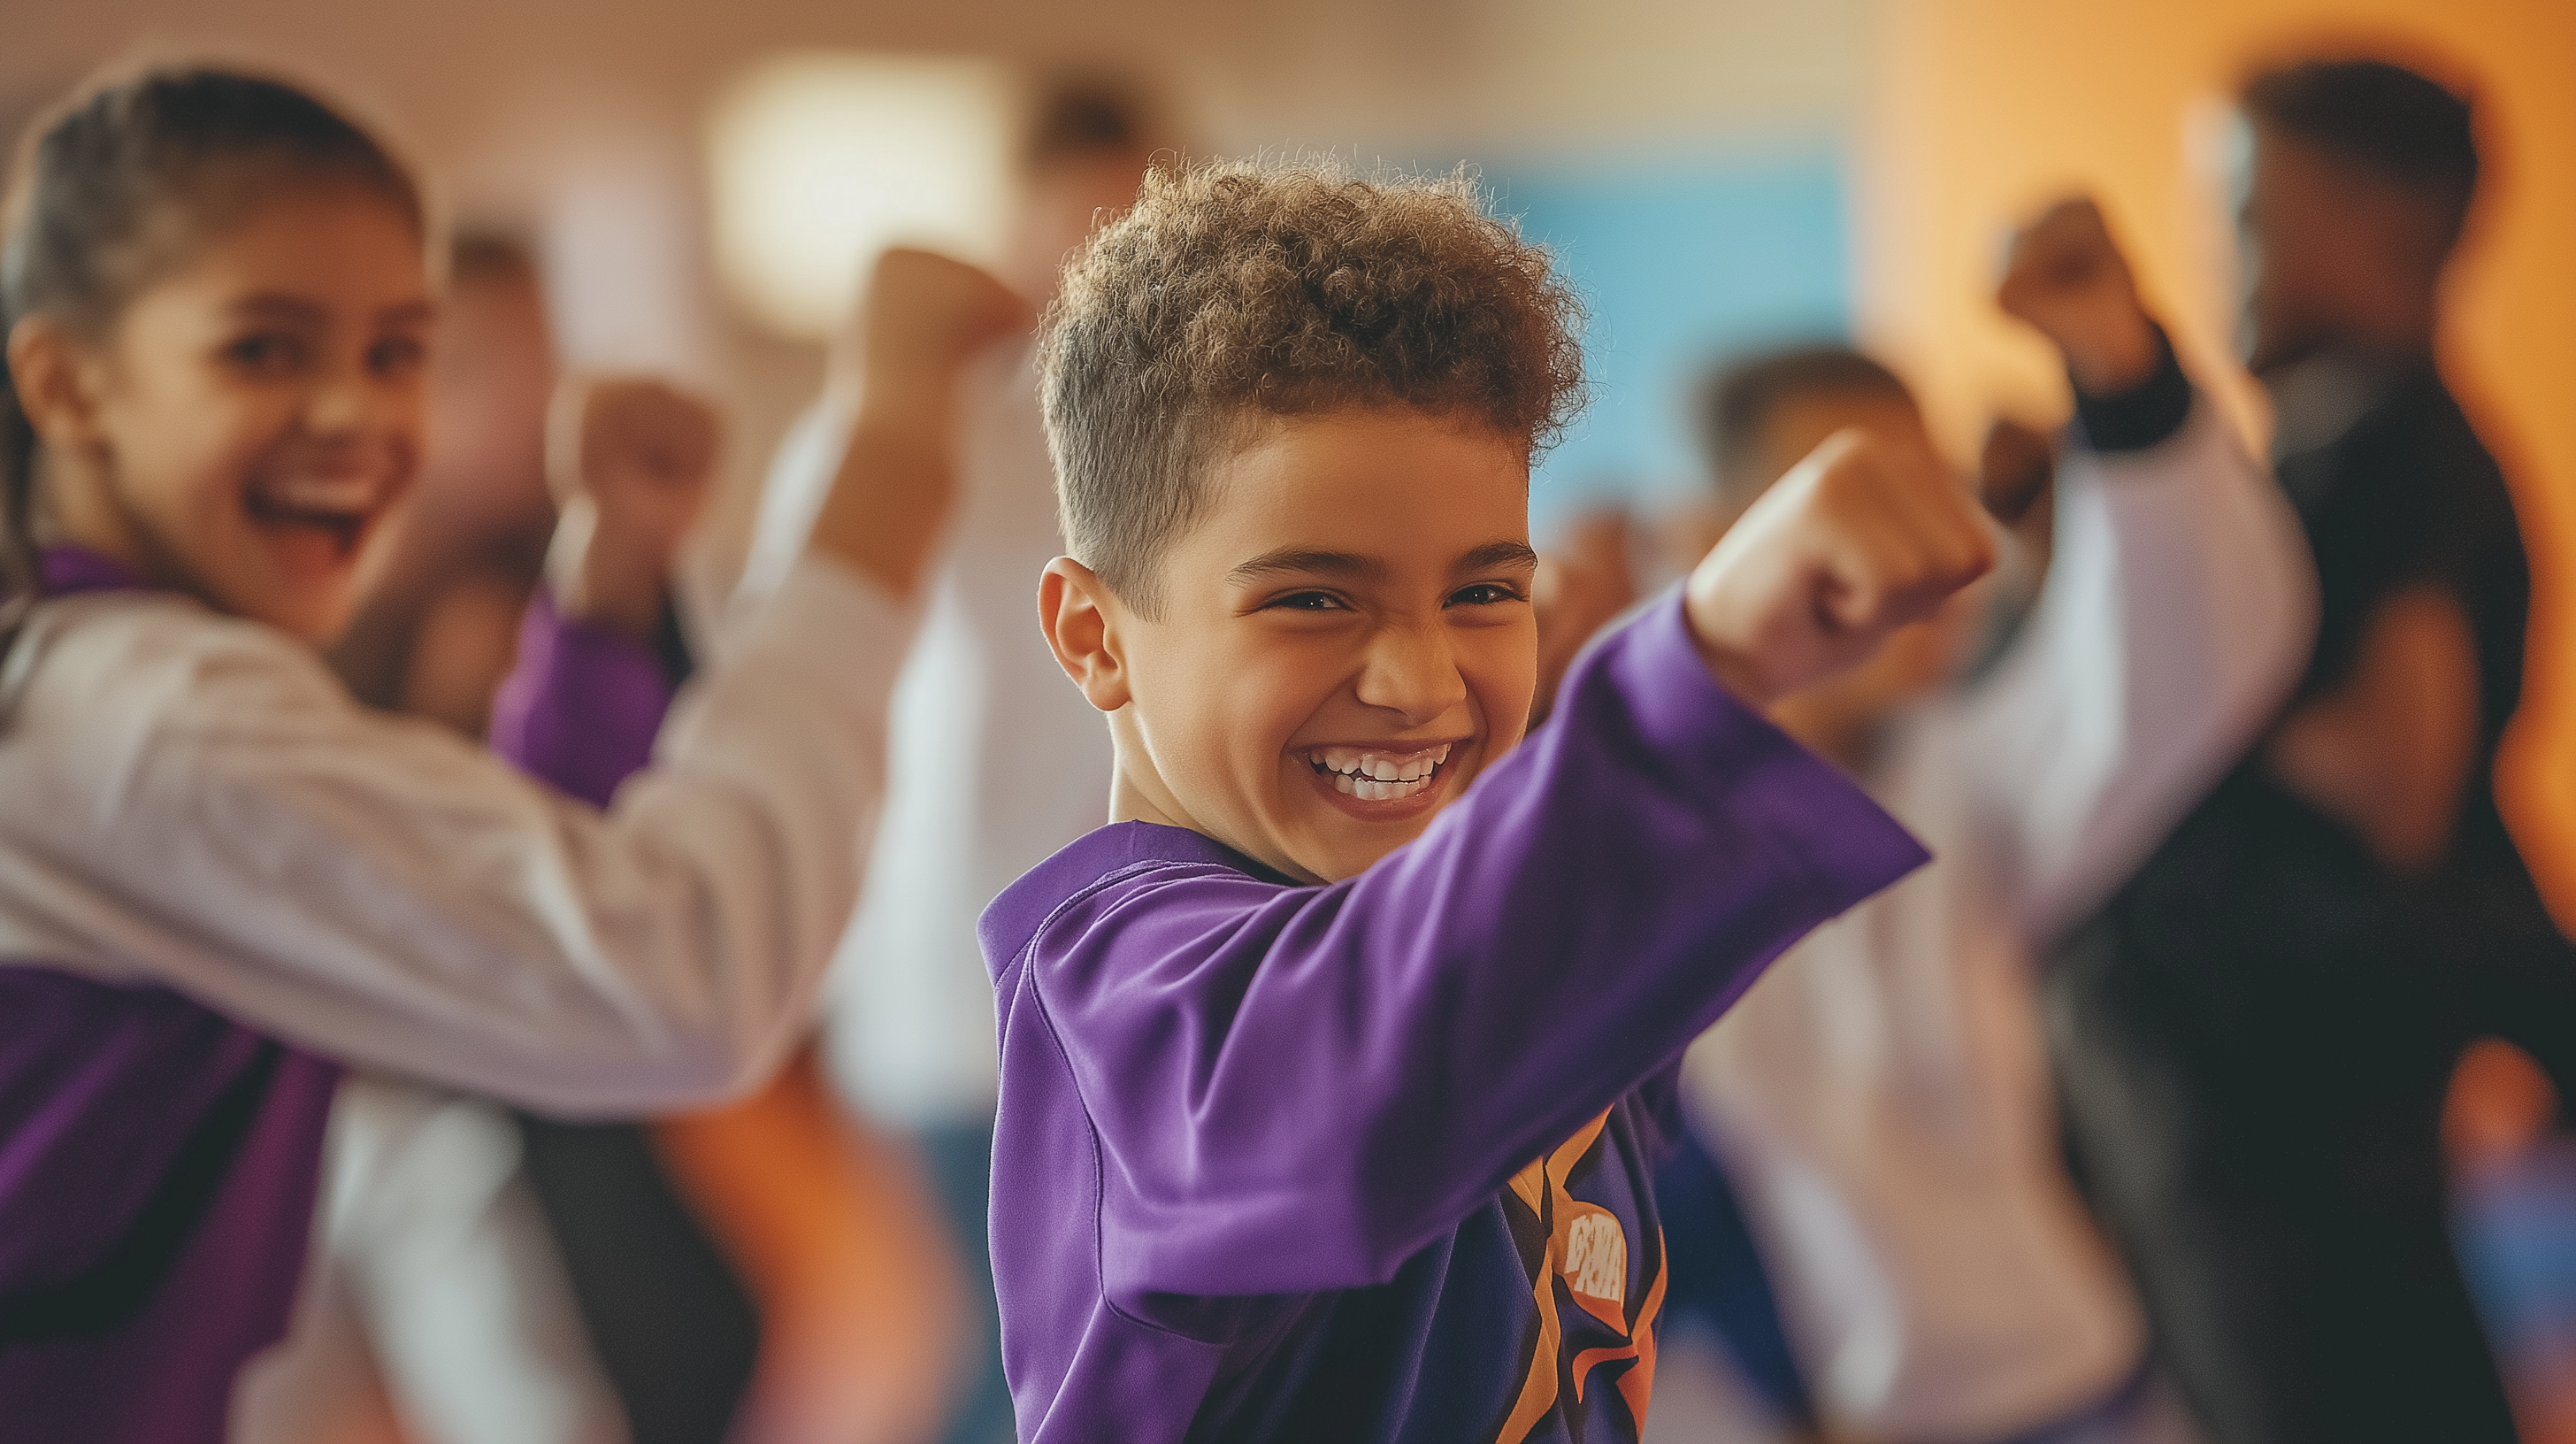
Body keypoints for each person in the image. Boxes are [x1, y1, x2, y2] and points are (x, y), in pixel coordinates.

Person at [0, 63, 1022, 1441]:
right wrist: (888, 448)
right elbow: (685, 971)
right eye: (264, 347)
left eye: (396, 351)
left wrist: (601, 595)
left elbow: (480, 856)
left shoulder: (104, 674)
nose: (358, 418)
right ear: (69, 383)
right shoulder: (141, 712)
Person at [985, 156, 1997, 1441]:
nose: (1419, 683)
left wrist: (1559, 758)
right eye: (1311, 598)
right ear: (1094, 636)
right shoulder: (1125, 994)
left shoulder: (1456, 913)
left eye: (1481, 594)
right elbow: (1347, 1101)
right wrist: (1700, 677)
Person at [1655, 196, 2315, 1444]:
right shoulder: (1622, 841)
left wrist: (2117, 367)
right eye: (1847, 502)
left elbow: (2167, 672)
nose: (1926, 550)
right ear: (1715, 538)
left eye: (1926, 489)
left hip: (2086, 1396)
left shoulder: (1952, 779)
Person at [2044, 56, 2576, 1444]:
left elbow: (2397, 779)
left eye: (2247, 212)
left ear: (2374, 222)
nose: (2222, 251)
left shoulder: (2398, 451)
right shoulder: (2333, 440)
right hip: (2259, 1129)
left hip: (2297, 1132)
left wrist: (2172, 694)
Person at [739, 77, 1161, 1444]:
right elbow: (789, 651)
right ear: (1020, 225)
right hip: (946, 993)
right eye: (1075, 221)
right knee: (1001, 1351)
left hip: (1144, 976)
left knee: (1099, 1343)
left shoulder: (1202, 448)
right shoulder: (921, 432)